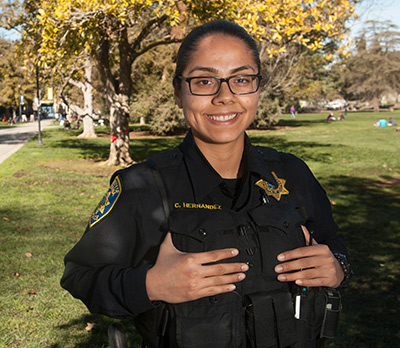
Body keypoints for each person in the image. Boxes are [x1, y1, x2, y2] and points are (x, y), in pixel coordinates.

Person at [61, 21, 352, 348]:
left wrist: (337, 267)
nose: (225, 97)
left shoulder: (293, 175)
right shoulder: (143, 187)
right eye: (204, 81)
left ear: (257, 87)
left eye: (241, 79)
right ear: (178, 91)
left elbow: (333, 243)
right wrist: (151, 285)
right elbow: (80, 276)